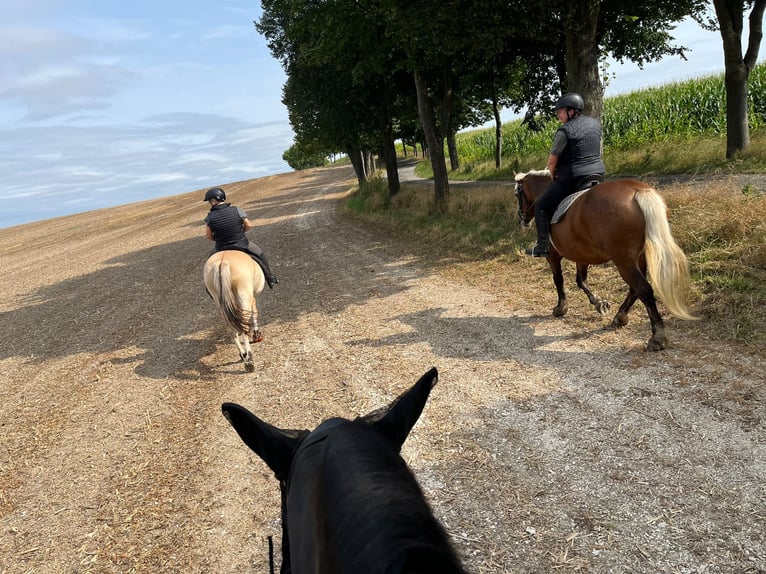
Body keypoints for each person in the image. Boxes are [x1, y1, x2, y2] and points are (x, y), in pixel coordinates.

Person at [526, 93, 606, 257]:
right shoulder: (595, 124)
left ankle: (542, 247)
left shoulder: (564, 131)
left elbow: (551, 161)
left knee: (540, 206)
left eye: (560, 112)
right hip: (597, 173)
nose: (558, 115)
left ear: (571, 111)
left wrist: (553, 174)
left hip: (573, 177)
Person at [203, 187, 279, 288]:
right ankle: (269, 277)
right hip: (241, 244)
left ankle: (209, 287)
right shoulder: (236, 210)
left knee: (209, 264)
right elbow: (248, 225)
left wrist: (217, 238)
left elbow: (208, 236)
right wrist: (241, 232)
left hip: (221, 247)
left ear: (213, 201)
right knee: (259, 253)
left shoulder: (209, 217)